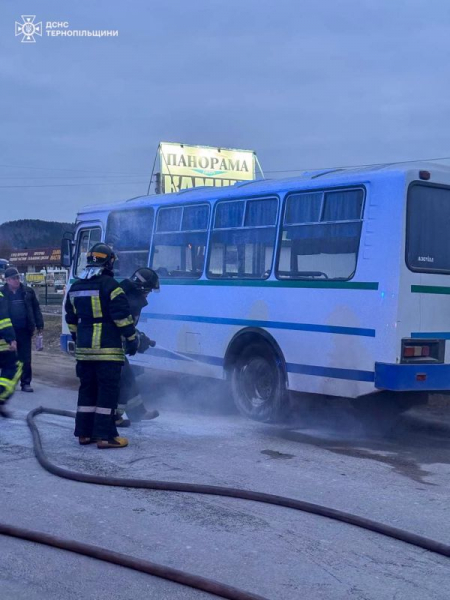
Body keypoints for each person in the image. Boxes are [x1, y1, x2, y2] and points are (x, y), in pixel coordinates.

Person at [64, 243, 138, 449]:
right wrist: (132, 339)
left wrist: (79, 337)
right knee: (107, 392)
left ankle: (84, 434)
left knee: (87, 390)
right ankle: (105, 436)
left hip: (84, 352)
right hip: (107, 352)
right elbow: (122, 318)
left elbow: (71, 319)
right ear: (109, 262)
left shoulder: (76, 287)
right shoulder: (111, 286)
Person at [116, 268, 160, 426]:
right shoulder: (127, 300)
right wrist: (136, 342)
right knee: (121, 380)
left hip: (117, 346)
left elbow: (128, 326)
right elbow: (121, 326)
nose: (148, 294)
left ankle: (137, 412)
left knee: (128, 377)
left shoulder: (130, 297)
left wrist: (141, 338)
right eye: (148, 290)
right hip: (112, 347)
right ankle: (114, 417)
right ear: (142, 287)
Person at [2, 267, 44, 393]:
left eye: (18, 278)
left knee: (25, 358)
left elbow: (36, 309)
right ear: (7, 280)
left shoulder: (27, 292)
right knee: (7, 358)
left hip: (24, 330)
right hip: (7, 332)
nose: (17, 280)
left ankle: (25, 383)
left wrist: (39, 325)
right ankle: (7, 383)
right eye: (14, 278)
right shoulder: (2, 293)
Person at [0, 289, 22, 417]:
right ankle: (1, 398)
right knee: (14, 367)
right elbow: (3, 320)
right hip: (2, 344)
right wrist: (11, 338)